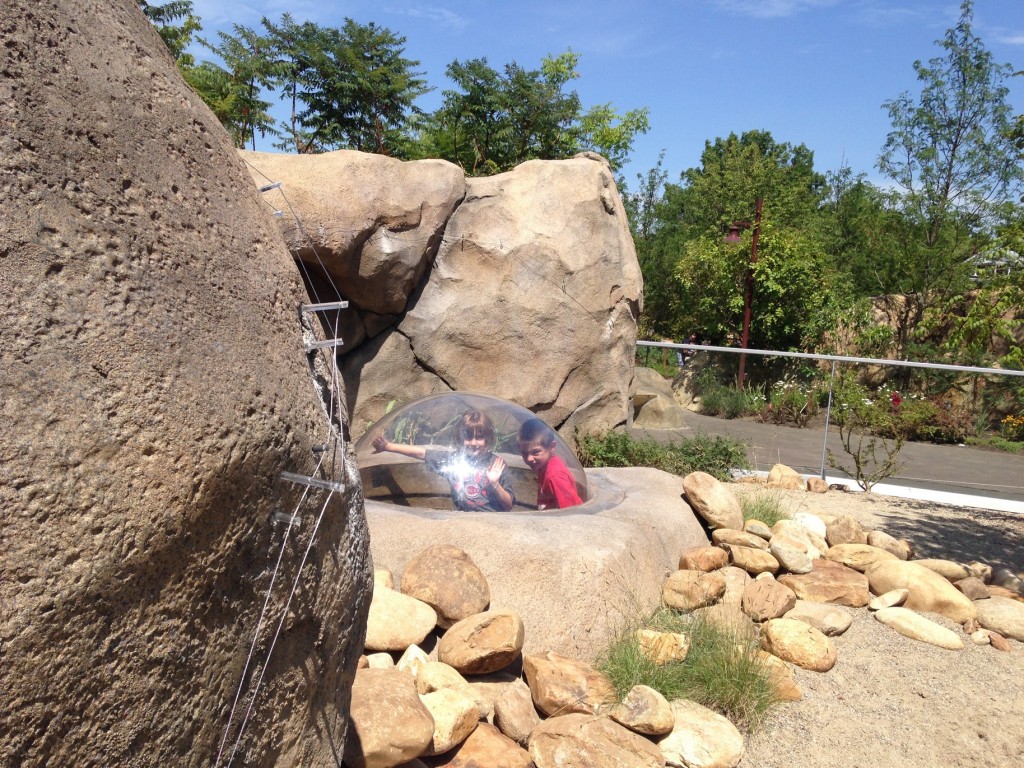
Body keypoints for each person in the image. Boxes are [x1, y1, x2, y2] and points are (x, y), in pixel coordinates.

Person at [371, 409, 515, 511]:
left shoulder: (497, 464)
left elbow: (509, 506)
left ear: (488, 439)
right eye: (468, 437)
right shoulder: (454, 460)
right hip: (461, 521)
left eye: (479, 437)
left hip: (491, 523)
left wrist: (495, 483)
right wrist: (388, 446)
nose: (473, 443)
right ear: (460, 438)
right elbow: (422, 453)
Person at [516, 418, 582, 510]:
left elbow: (572, 510)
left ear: (552, 447)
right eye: (524, 452)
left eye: (535, 452)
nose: (529, 458)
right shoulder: (543, 465)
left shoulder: (555, 477)